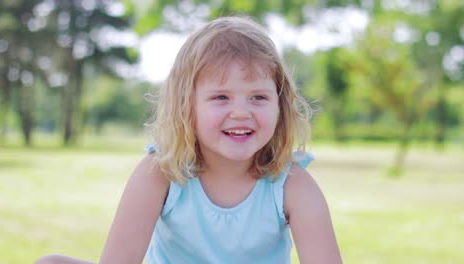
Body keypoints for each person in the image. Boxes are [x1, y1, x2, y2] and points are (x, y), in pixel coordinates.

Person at [35, 16, 342, 264]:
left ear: (280, 106)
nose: (241, 112)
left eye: (258, 97)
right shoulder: (160, 172)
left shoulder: (292, 185)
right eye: (221, 97)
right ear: (187, 106)